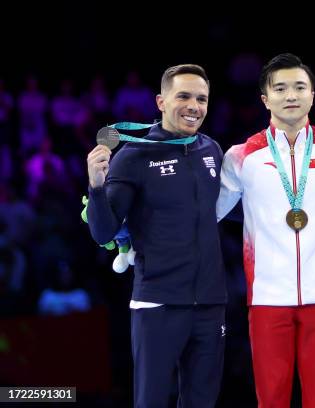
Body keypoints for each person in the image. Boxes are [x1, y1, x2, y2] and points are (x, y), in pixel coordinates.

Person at [217, 53, 315, 408]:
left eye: (299, 87)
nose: (290, 95)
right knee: (271, 400)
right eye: (280, 88)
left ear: (313, 95)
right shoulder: (240, 157)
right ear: (265, 98)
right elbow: (206, 215)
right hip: (266, 300)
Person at [86, 64, 225, 408]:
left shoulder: (212, 150)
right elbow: (103, 230)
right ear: (161, 101)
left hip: (209, 303)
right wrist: (96, 186)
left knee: (202, 402)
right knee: (150, 402)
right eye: (184, 96)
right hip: (157, 302)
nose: (194, 105)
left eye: (201, 99)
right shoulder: (133, 156)